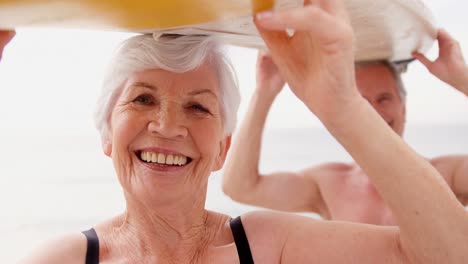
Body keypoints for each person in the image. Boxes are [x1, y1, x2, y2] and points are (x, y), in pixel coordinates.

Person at [4, 0, 467, 263]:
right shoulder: (63, 260)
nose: (167, 125)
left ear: (223, 147)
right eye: (142, 99)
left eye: (198, 107)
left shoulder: (268, 246)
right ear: (107, 133)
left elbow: (445, 255)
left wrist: (343, 107)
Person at [222, 28, 468, 225]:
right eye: (361, 102)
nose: (374, 112)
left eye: (384, 98)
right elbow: (240, 186)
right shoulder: (329, 183)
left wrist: (461, 79)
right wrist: (264, 93)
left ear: (403, 108)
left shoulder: (447, 175)